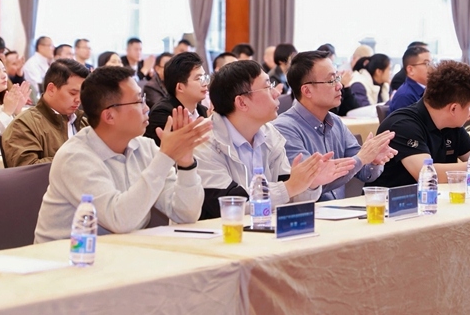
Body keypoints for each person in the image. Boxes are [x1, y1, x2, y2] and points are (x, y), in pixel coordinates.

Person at [33, 66, 211, 241]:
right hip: (67, 255)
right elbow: (119, 220)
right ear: (109, 116)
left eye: (143, 99)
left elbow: (185, 214)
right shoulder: (74, 157)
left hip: (122, 251)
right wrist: (165, 157)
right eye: (138, 101)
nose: (146, 108)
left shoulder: (145, 147)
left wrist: (186, 163)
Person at [195, 60, 354, 219]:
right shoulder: (203, 141)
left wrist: (310, 183)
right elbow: (227, 204)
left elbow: (290, 196)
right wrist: (289, 187)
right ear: (242, 102)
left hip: (264, 228)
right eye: (267, 87)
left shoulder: (269, 134)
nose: (276, 93)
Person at [375, 61, 470, 188]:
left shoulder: (452, 126)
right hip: (391, 205)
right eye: (469, 106)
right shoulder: (403, 125)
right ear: (453, 109)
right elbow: (426, 173)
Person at [274, 50, 396, 200]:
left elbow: (365, 172)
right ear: (307, 90)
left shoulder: (336, 122)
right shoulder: (284, 129)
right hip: (310, 212)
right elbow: (311, 182)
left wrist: (374, 160)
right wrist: (361, 158)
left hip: (338, 210)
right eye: (331, 81)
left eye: (337, 78)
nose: (339, 86)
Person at [2, 59, 89, 167]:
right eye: (73, 93)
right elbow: (27, 169)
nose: (78, 99)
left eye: (82, 93)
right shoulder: (23, 124)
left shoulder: (84, 124)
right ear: (51, 89)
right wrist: (77, 158)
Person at [145, 52, 209, 145]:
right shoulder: (163, 113)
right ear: (180, 87)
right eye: (199, 79)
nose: (205, 83)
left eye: (205, 77)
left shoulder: (203, 111)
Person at [387, 45, 432, 113]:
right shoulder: (404, 96)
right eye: (426, 63)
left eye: (432, 62)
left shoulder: (426, 90)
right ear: (410, 70)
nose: (432, 67)